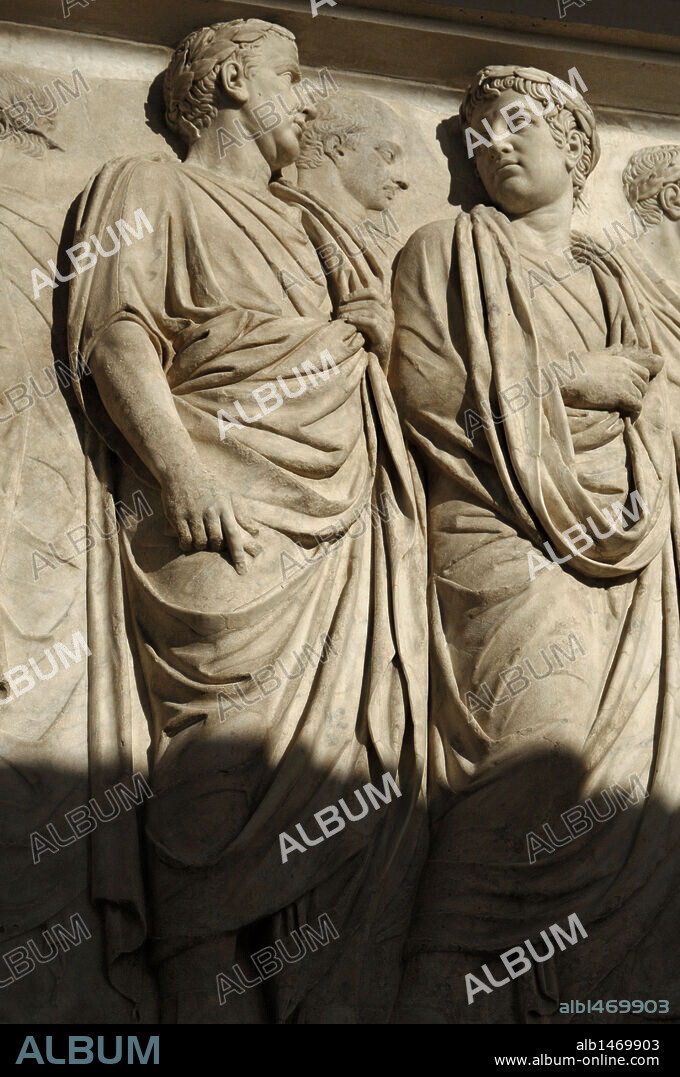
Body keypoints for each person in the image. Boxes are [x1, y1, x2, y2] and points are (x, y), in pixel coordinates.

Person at [67, 18, 427, 1023]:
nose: (308, 97)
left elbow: (374, 369)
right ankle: (197, 1003)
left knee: (339, 769)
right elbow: (116, 334)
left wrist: (366, 336)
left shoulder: (310, 224)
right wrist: (177, 468)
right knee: (215, 762)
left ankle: (312, 1000)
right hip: (219, 504)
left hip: (339, 521)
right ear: (230, 80)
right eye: (291, 74)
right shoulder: (147, 188)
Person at [389, 65, 680, 1022]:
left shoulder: (621, 277)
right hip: (499, 534)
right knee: (534, 755)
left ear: (577, 142)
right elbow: (430, 396)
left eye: (518, 124)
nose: (495, 143)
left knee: (633, 783)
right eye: (478, 133)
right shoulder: (447, 249)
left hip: (631, 550)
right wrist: (574, 382)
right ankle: (441, 988)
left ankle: (583, 1005)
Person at [274, 89, 409, 370]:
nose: (403, 179)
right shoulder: (277, 221)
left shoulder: (381, 251)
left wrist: (382, 346)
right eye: (389, 155)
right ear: (338, 147)